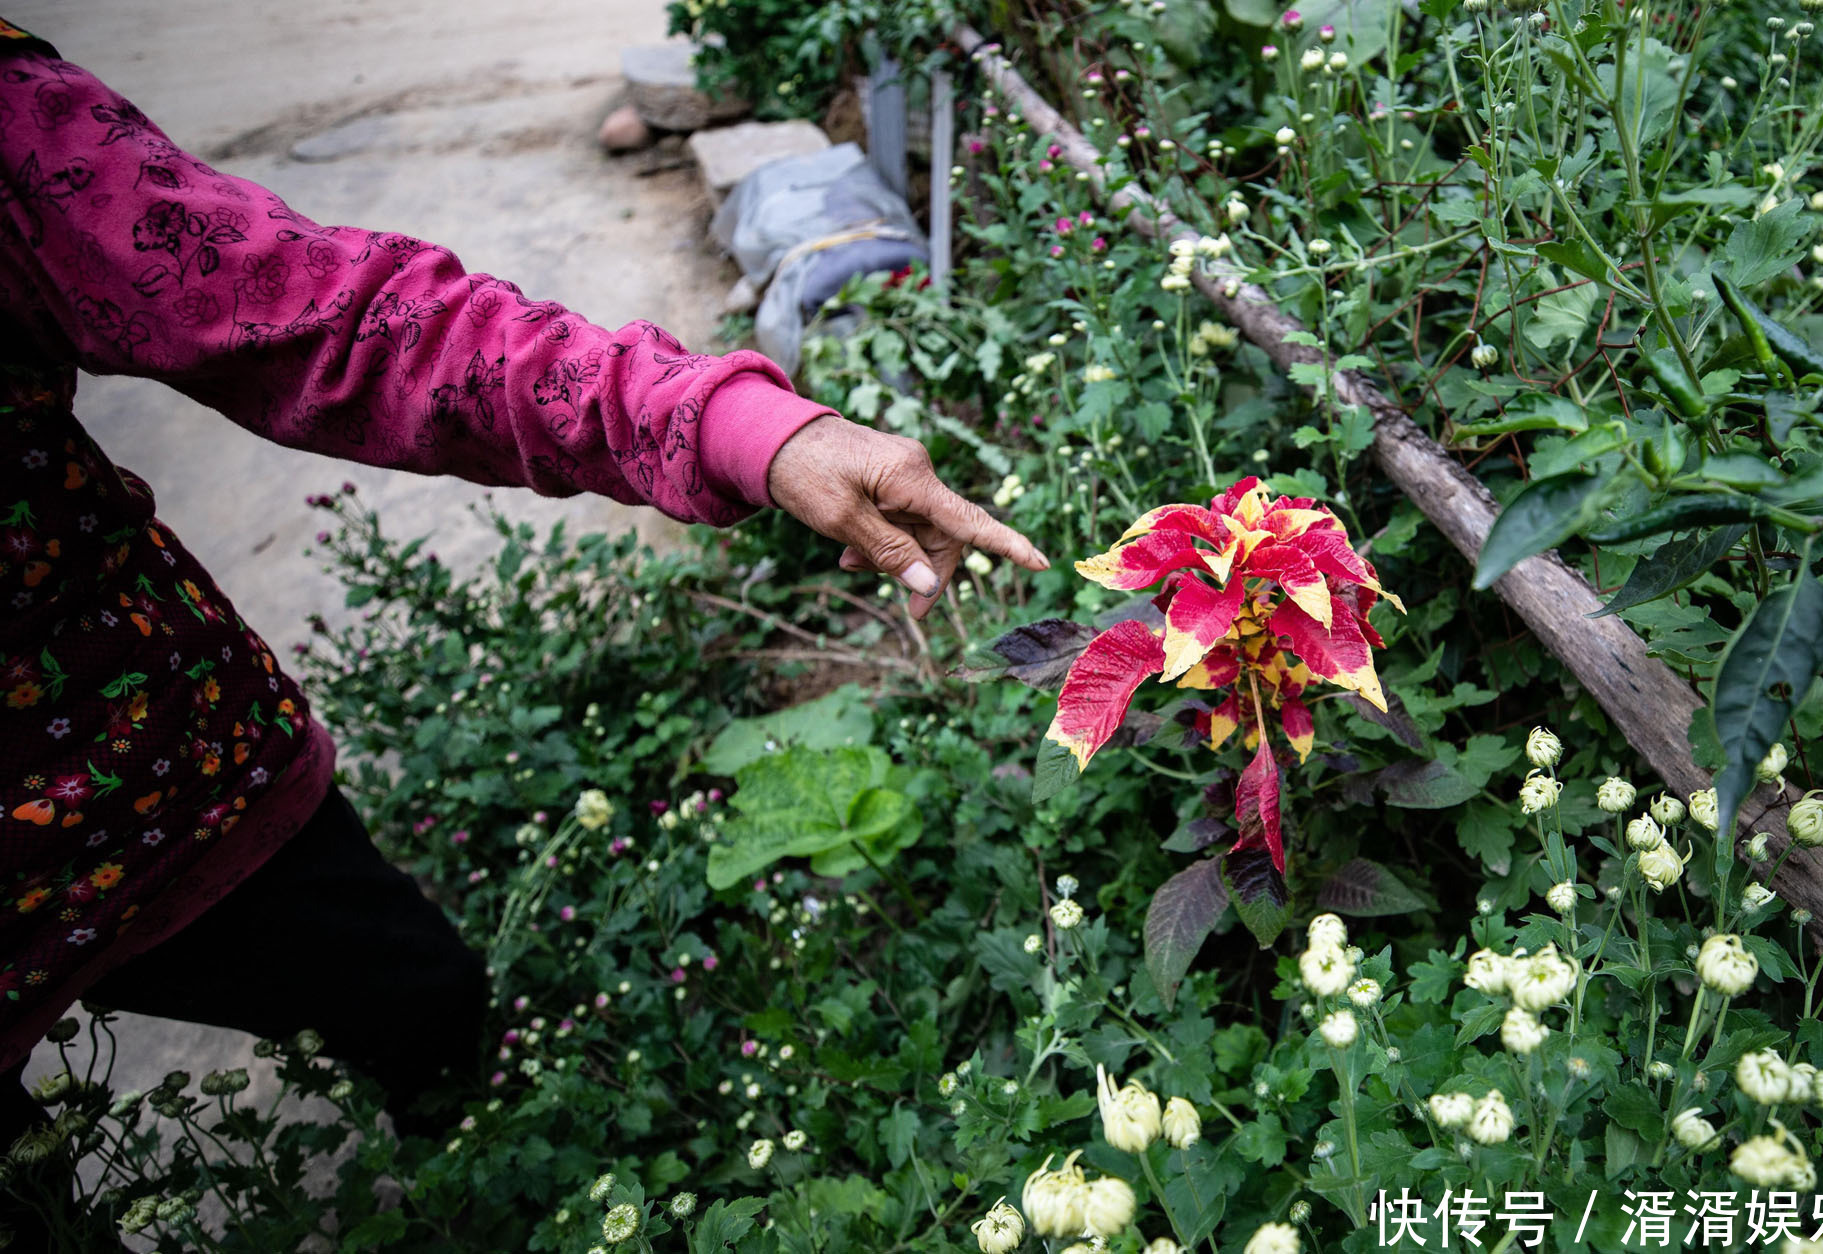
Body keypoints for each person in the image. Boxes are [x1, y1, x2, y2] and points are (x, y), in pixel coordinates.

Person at [0, 14, 1046, 1226]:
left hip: (152, 776)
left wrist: (737, 426)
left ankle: (492, 1190)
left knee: (427, 1016)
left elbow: (330, 319)